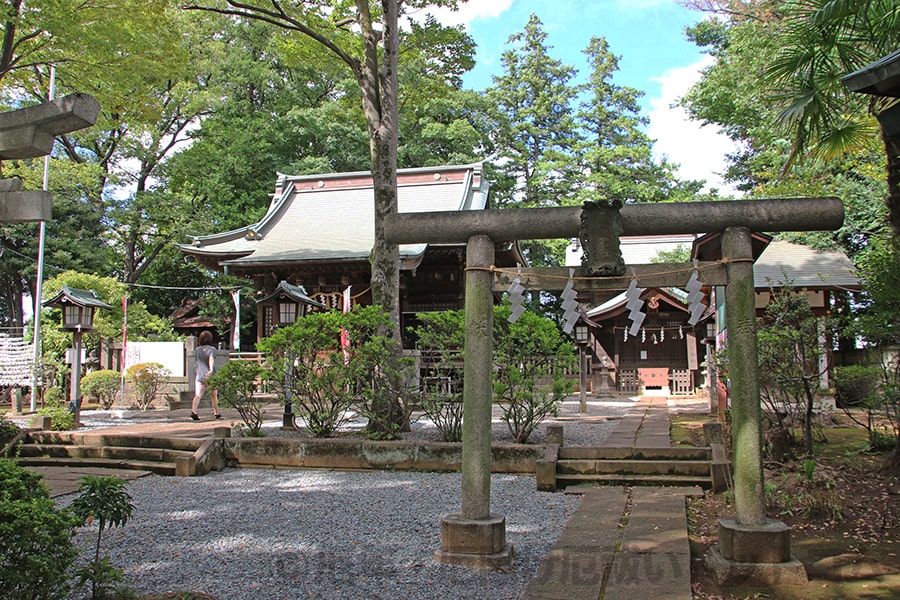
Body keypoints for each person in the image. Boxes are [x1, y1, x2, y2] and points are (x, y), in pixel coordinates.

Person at [191, 331, 221, 420]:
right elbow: (211, 359)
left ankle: (194, 412)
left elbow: (197, 361)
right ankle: (216, 413)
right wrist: (211, 370)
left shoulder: (197, 350)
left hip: (200, 375)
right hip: (210, 377)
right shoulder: (212, 349)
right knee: (214, 395)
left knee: (198, 395)